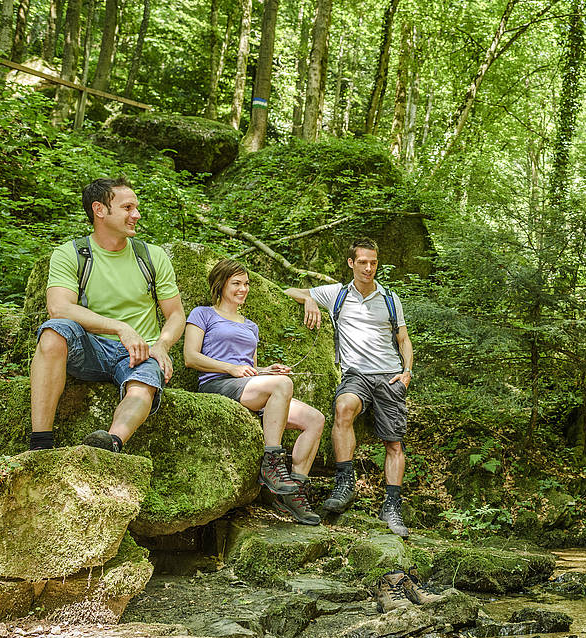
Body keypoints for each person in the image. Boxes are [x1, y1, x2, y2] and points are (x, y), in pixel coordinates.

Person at [29, 177, 185, 453]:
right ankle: (41, 442)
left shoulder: (152, 256)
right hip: (90, 346)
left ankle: (110, 442)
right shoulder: (72, 254)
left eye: (136, 208)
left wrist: (162, 345)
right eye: (127, 208)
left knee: (143, 384)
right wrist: (120, 328)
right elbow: (59, 307)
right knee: (53, 332)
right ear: (99, 210)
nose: (136, 215)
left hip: (139, 352)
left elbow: (175, 314)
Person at [284, 238, 414, 537]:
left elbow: (403, 340)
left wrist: (406, 372)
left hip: (389, 375)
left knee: (394, 443)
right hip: (355, 374)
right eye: (363, 262)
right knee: (343, 408)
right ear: (351, 263)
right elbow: (289, 290)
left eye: (373, 262)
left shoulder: (391, 299)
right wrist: (310, 299)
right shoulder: (337, 294)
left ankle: (392, 504)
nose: (369, 268)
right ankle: (345, 482)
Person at [184, 259, 325, 526]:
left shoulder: (250, 326)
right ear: (221, 285)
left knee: (315, 419)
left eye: (246, 283)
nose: (243, 288)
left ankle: (292, 493)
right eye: (236, 283)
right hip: (217, 384)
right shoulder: (203, 314)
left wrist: (266, 370)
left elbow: (250, 367)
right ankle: (272, 462)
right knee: (282, 386)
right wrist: (232, 369)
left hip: (248, 387)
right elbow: (190, 357)